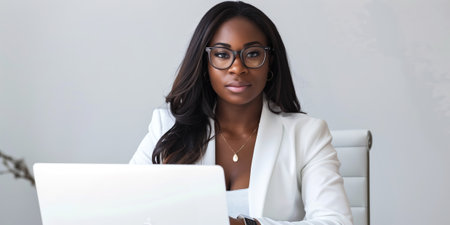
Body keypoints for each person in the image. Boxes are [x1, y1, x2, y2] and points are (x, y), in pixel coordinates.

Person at [130, 1, 353, 225]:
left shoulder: (307, 135)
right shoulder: (167, 126)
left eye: (253, 54)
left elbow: (336, 222)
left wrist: (241, 224)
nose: (237, 68)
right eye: (222, 55)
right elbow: (125, 208)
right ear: (205, 64)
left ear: (270, 62)